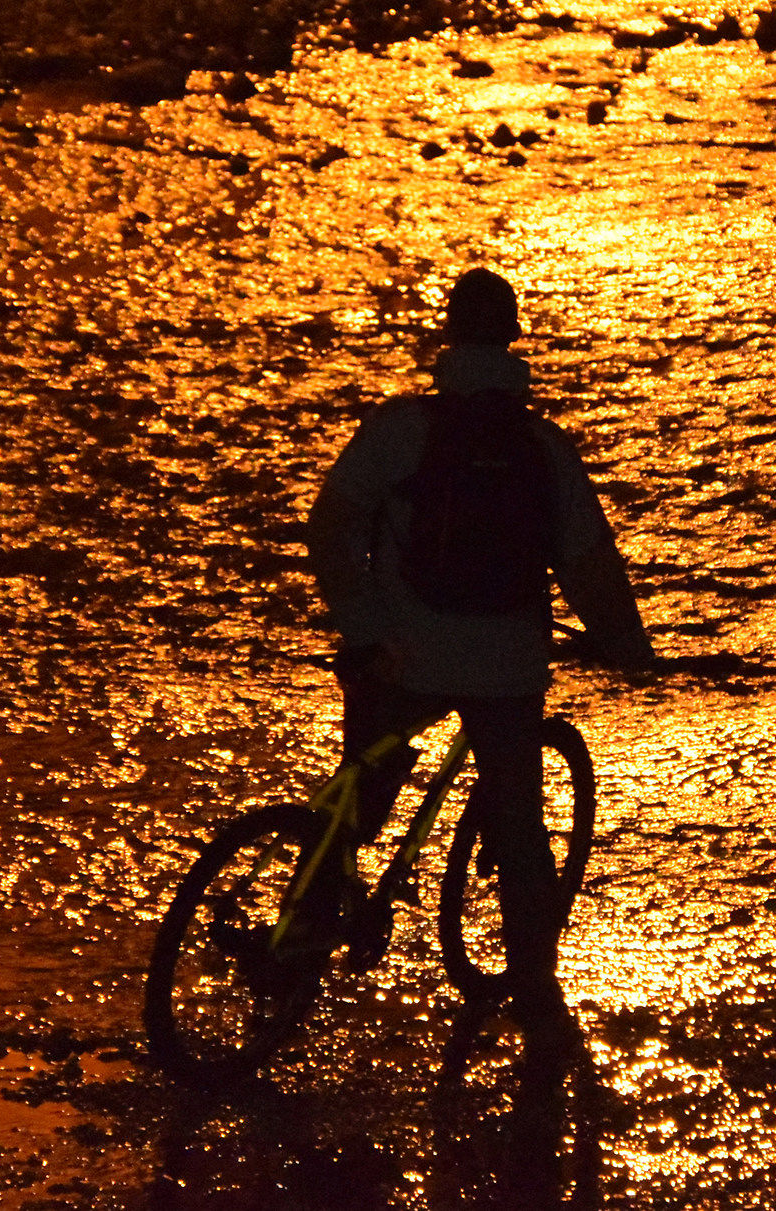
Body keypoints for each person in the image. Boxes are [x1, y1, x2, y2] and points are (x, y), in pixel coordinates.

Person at [306, 266, 654, 1061]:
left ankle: (298, 941)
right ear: (514, 342)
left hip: (402, 652)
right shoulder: (544, 447)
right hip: (506, 664)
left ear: (447, 339)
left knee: (356, 795)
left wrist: (361, 625)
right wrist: (633, 653)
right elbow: (591, 564)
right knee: (519, 823)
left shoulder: (400, 429)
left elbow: (330, 527)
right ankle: (535, 991)